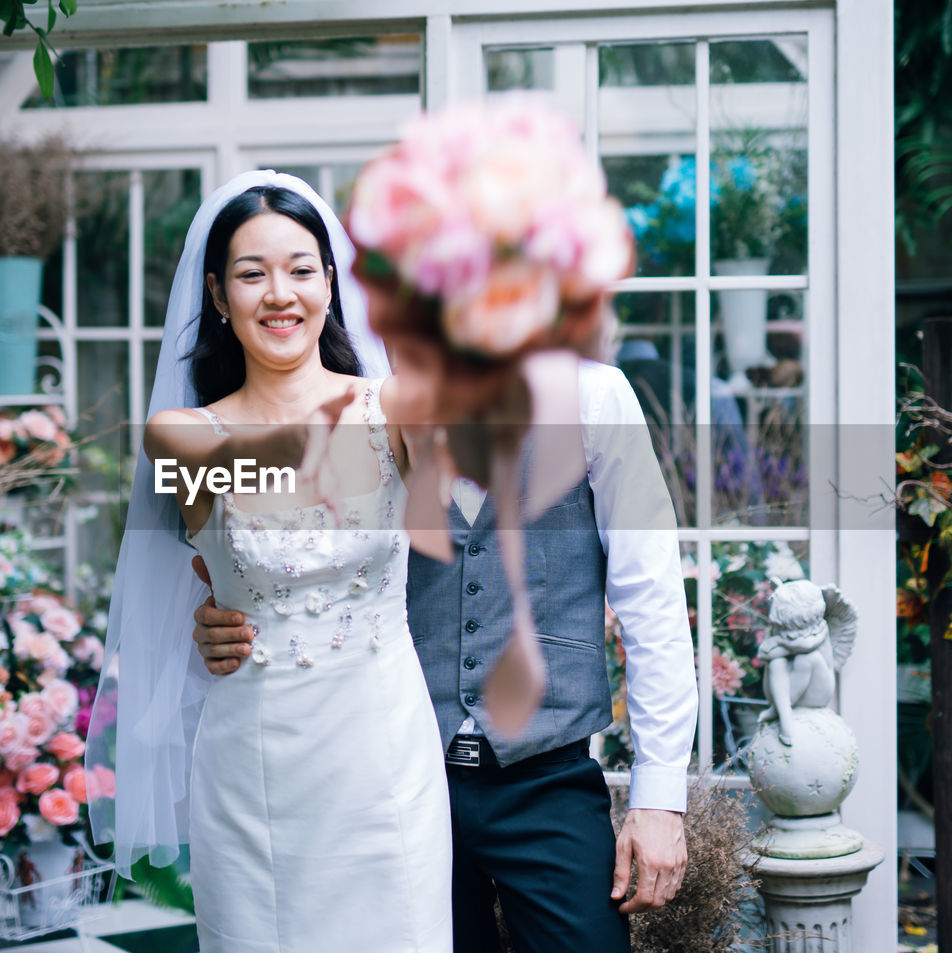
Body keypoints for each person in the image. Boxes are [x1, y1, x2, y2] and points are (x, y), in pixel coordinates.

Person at [194, 352, 699, 953]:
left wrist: (660, 797)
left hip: (546, 777)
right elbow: (280, 554)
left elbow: (653, 601)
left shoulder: (592, 395)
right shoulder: (368, 409)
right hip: (397, 777)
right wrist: (227, 614)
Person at [85, 170, 453, 953]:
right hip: (250, 763)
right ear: (218, 295)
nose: (279, 294)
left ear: (332, 283)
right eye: (253, 273)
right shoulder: (181, 434)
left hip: (382, 752)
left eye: (300, 269)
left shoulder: (396, 406)